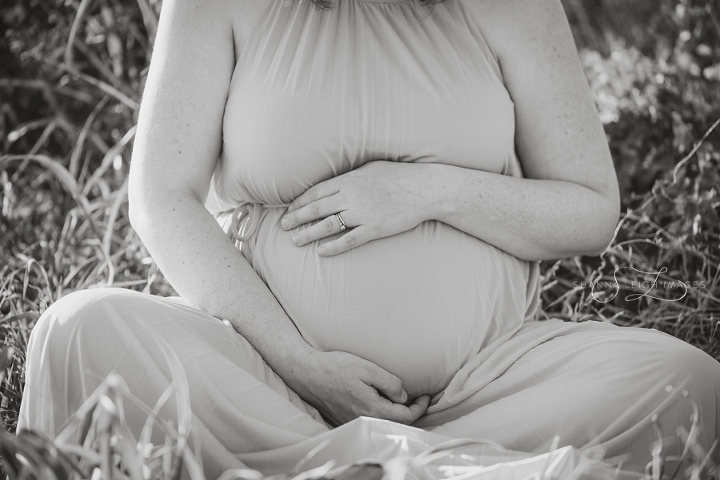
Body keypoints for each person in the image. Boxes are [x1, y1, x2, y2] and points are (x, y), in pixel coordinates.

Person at [19, 0, 720, 477]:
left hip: (492, 385)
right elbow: (160, 197)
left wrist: (424, 191)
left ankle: (384, 463)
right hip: (268, 385)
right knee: (76, 331)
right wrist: (298, 362)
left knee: (692, 387)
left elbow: (590, 208)